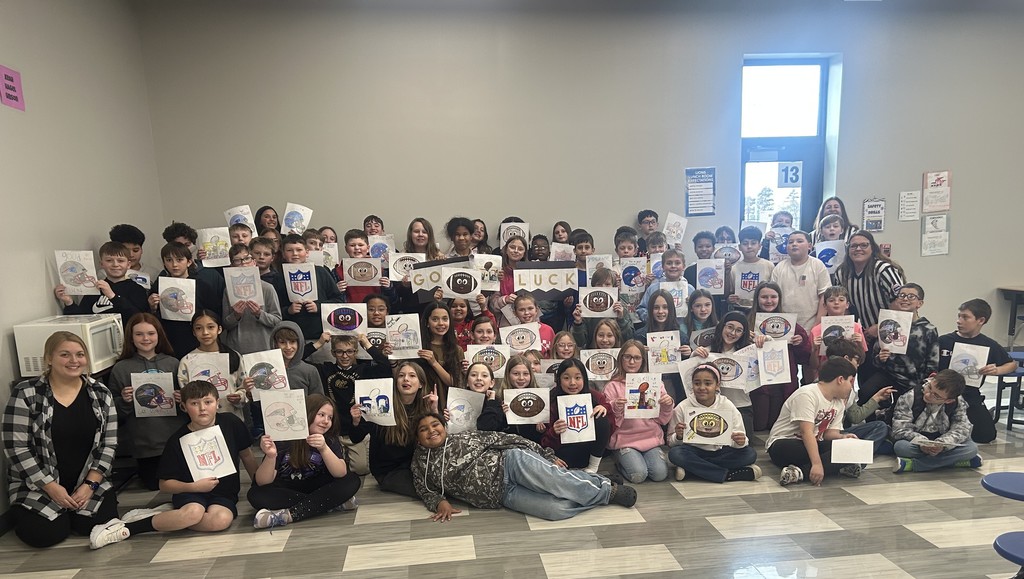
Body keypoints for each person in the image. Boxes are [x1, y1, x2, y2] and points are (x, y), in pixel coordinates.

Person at [88, 381, 258, 549]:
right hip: (189, 491)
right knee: (193, 513)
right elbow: (164, 484)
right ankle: (127, 528)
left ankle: (169, 517)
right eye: (194, 403)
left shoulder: (231, 423)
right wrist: (194, 487)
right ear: (184, 407)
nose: (202, 408)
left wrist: (258, 485)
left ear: (217, 403)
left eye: (208, 402)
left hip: (224, 493)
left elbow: (247, 456)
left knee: (220, 521)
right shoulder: (177, 440)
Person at [2, 332, 118, 548]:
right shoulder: (26, 393)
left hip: (86, 479)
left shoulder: (101, 394)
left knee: (96, 525)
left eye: (80, 354)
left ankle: (69, 511)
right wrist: (50, 487)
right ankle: (32, 511)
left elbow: (108, 444)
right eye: (65, 354)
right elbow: (16, 447)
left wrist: (90, 485)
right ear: (48, 358)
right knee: (44, 536)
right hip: (38, 483)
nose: (74, 361)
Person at [412, 413, 635, 522]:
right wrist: (440, 502)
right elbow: (425, 490)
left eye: (435, 425)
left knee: (558, 482)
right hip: (502, 494)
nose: (431, 430)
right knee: (554, 511)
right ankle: (600, 481)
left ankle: (609, 491)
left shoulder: (464, 437)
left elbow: (506, 439)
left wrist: (545, 454)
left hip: (511, 464)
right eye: (424, 429)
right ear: (417, 437)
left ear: (444, 427)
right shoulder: (420, 464)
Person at [248, 394, 361, 529]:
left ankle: (288, 515)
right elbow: (262, 481)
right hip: (288, 488)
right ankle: (329, 503)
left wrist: (324, 449)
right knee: (255, 494)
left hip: (319, 486)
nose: (326, 421)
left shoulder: (329, 439)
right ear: (307, 413)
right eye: (321, 415)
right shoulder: (282, 438)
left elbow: (340, 473)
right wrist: (271, 456)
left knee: (352, 480)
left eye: (330, 418)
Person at [109, 313, 185, 490]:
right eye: (139, 334)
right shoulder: (121, 368)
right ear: (130, 337)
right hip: (144, 444)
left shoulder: (174, 363)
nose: (145, 338)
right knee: (154, 486)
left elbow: (190, 403)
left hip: (176, 439)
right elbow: (111, 410)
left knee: (181, 484)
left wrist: (183, 399)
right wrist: (125, 400)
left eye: (151, 333)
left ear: (159, 335)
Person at [303, 332, 392, 475]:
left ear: (356, 352)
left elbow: (385, 365)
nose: (345, 356)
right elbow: (297, 360)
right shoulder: (325, 369)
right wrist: (318, 344)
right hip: (331, 430)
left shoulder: (364, 370)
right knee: (328, 469)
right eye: (340, 352)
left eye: (350, 351)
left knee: (361, 469)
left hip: (355, 429)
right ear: (333, 352)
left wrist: (366, 344)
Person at [765, 357, 862, 486]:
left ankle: (798, 473)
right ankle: (834, 466)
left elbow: (828, 434)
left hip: (815, 442)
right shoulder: (807, 394)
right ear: (840, 380)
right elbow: (806, 432)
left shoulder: (838, 402)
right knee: (836, 454)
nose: (851, 387)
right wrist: (816, 464)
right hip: (784, 443)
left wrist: (843, 437)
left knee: (853, 449)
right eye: (851, 382)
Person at [349, 362, 438, 497]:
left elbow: (437, 441)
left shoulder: (424, 407)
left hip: (415, 465)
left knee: (443, 481)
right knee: (430, 489)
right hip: (388, 471)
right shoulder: (383, 406)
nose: (406, 379)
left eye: (412, 375)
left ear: (421, 384)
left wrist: (435, 411)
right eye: (401, 375)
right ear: (396, 382)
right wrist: (356, 421)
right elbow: (356, 437)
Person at [938, 298, 1019, 443]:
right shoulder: (944, 341)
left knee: (986, 435)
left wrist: (997, 370)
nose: (959, 321)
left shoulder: (988, 344)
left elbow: (1012, 364)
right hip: (940, 394)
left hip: (969, 394)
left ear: (980, 320)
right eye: (959, 316)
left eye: (965, 317)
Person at [666, 363, 760, 483]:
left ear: (717, 385)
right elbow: (670, 442)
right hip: (694, 451)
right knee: (675, 454)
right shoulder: (682, 407)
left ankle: (692, 470)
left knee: (750, 454)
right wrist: (678, 436)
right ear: (692, 385)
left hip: (721, 452)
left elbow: (742, 440)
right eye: (697, 383)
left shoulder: (727, 405)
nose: (702, 387)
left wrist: (740, 442)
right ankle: (729, 475)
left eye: (708, 383)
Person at [859, 283, 939, 416]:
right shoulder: (888, 323)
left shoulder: (928, 329)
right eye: (901, 295)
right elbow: (875, 357)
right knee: (865, 391)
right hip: (888, 374)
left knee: (901, 410)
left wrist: (925, 384)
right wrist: (880, 358)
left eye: (911, 296)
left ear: (920, 303)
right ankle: (873, 425)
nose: (905, 299)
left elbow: (933, 361)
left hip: (913, 379)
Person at [603, 341, 674, 483]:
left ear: (643, 360)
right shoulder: (612, 386)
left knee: (660, 474)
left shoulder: (655, 383)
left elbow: (663, 420)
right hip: (625, 440)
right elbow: (609, 423)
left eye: (637, 358)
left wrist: (667, 404)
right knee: (638, 475)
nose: (631, 362)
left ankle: (632, 459)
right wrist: (615, 406)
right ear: (621, 358)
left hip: (650, 438)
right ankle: (618, 458)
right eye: (627, 357)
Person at [745, 282, 812, 431]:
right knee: (759, 425)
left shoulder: (790, 324)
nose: (769, 301)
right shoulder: (748, 323)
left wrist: (800, 342)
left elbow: (805, 357)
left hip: (783, 382)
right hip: (759, 383)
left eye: (773, 297)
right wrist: (746, 341)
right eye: (764, 297)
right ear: (757, 299)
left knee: (778, 425)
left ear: (779, 299)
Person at [891, 370, 982, 473]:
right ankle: (954, 461)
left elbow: (962, 427)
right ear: (932, 379)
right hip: (917, 441)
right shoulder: (910, 396)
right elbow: (899, 429)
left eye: (936, 396)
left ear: (948, 400)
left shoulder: (957, 402)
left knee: (971, 448)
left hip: (943, 440)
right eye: (929, 388)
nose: (928, 395)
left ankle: (914, 464)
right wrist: (922, 443)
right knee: (901, 447)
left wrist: (942, 444)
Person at [147, 241, 223, 356]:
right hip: (169, 340)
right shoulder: (159, 285)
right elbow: (152, 318)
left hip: (197, 340)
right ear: (164, 263)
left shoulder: (202, 285)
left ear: (189, 262)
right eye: (169, 260)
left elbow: (216, 313)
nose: (174, 265)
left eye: (179, 260)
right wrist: (152, 307)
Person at [832, 230, 905, 348]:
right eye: (853, 246)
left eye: (864, 245)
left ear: (872, 248)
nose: (858, 249)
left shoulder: (883, 270)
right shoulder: (842, 273)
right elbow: (843, 307)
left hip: (893, 331)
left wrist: (880, 326)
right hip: (864, 335)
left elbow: (901, 303)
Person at [691, 311, 758, 437]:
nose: (733, 333)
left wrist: (764, 339)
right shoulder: (708, 351)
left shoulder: (748, 351)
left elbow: (770, 349)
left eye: (739, 330)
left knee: (745, 445)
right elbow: (691, 373)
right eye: (730, 327)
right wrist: (694, 355)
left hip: (741, 406)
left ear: (744, 334)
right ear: (722, 326)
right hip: (713, 406)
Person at [542, 358, 613, 473]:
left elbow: (609, 426)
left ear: (584, 379)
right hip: (563, 453)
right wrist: (554, 431)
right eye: (566, 378)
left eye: (578, 378)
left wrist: (605, 408)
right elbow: (544, 442)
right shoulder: (551, 400)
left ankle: (593, 467)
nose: (572, 383)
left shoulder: (595, 396)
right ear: (559, 379)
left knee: (601, 417)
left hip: (589, 452)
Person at [272, 233, 345, 340]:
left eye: (299, 250)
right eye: (289, 250)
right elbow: (274, 310)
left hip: (321, 335)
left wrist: (319, 306)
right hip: (291, 338)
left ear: (306, 252)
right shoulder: (278, 277)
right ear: (283, 253)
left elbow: (338, 301)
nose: (295, 254)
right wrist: (288, 310)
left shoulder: (321, 272)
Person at [55, 241, 148, 323]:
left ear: (128, 265)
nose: (115, 264)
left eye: (120, 261)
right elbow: (81, 318)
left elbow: (139, 319)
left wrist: (113, 296)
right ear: (102, 264)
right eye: (109, 260)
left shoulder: (137, 289)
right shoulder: (94, 289)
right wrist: (69, 302)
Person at [825, 339, 891, 454]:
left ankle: (856, 454)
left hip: (841, 434)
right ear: (846, 359)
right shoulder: (820, 385)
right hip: (823, 436)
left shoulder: (848, 388)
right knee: (885, 446)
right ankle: (856, 456)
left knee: (881, 427)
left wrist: (877, 398)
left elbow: (855, 417)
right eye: (856, 359)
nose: (858, 364)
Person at [177, 310, 247, 418]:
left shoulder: (234, 356)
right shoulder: (187, 361)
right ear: (194, 332)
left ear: (219, 329)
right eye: (199, 328)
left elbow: (243, 387)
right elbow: (186, 395)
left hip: (231, 416)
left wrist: (239, 397)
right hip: (201, 421)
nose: (205, 332)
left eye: (210, 327)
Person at [221, 243, 283, 354]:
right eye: (237, 260)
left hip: (264, 346)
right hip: (237, 347)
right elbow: (225, 324)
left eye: (247, 259)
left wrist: (259, 313)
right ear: (232, 266)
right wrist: (236, 316)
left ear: (254, 262)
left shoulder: (267, 288)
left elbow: (277, 320)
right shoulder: (228, 290)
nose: (243, 263)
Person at [769, 230, 830, 332]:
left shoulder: (817, 265)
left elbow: (824, 297)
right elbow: (773, 297)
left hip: (811, 325)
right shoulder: (779, 267)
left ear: (809, 246)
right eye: (791, 242)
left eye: (799, 241)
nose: (794, 244)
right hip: (783, 325)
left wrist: (817, 325)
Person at [478, 355, 547, 443]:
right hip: (508, 446)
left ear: (531, 375)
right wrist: (501, 414)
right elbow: (489, 430)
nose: (521, 378)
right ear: (508, 375)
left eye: (525, 374)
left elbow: (544, 438)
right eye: (516, 374)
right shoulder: (499, 399)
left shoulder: (541, 398)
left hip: (532, 447)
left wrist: (540, 430)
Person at [571, 268, 633, 348]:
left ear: (614, 287)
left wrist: (621, 319)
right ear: (593, 287)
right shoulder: (585, 308)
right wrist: (578, 323)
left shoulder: (620, 308)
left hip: (617, 353)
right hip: (592, 353)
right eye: (599, 284)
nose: (603, 287)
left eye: (607, 284)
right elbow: (579, 343)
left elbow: (629, 338)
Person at [335, 228, 394, 304]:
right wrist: (336, 291)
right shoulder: (337, 271)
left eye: (361, 245)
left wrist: (388, 288)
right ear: (346, 249)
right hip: (351, 312)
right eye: (352, 245)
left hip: (374, 312)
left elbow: (393, 301)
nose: (357, 248)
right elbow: (332, 300)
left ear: (368, 248)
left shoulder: (381, 271)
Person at [636, 249, 695, 324]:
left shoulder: (690, 289)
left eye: (677, 263)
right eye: (669, 263)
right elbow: (641, 309)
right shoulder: (653, 288)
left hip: (683, 330)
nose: (673, 266)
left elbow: (697, 313)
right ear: (663, 267)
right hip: (658, 331)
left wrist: (692, 306)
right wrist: (652, 319)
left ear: (683, 266)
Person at [729, 226, 775, 313]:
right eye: (745, 243)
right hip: (741, 310)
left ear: (759, 246)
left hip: (763, 310)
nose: (749, 246)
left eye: (753, 243)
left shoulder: (769, 265)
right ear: (739, 247)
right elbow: (731, 291)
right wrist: (731, 298)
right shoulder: (734, 268)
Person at [110, 223, 159, 288]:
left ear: (141, 250)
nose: (131, 255)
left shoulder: (153, 273)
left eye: (135, 250)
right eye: (126, 251)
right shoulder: (106, 273)